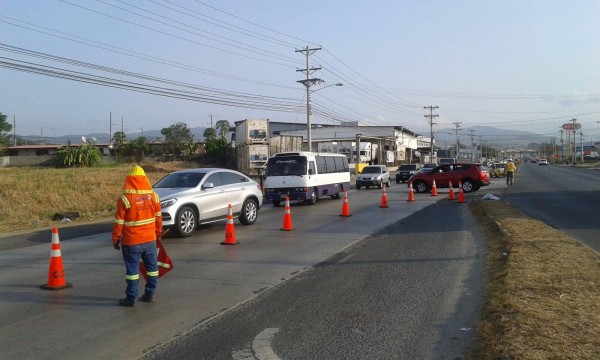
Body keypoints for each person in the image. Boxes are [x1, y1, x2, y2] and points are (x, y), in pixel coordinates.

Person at [112, 165, 163, 307]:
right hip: (150, 240)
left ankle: (130, 298)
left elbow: (118, 223)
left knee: (132, 271)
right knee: (152, 269)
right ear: (145, 179)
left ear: (130, 180)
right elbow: (158, 219)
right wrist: (158, 234)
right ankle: (150, 294)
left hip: (131, 242)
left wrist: (116, 239)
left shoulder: (125, 199)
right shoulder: (154, 197)